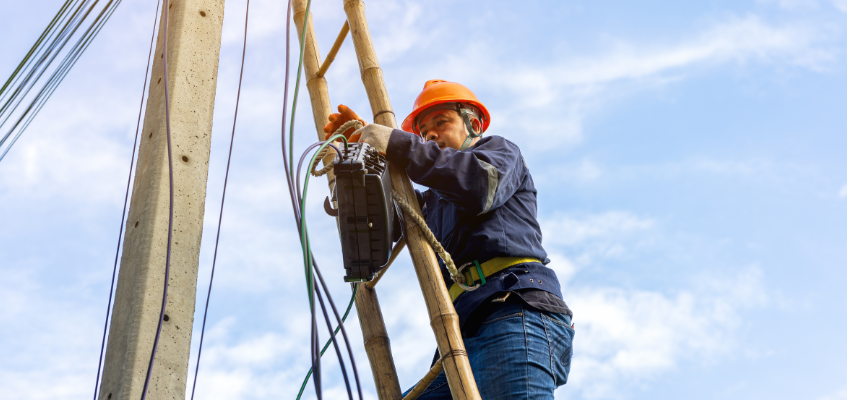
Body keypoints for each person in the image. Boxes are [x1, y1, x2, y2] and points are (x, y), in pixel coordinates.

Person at [324, 79, 574, 399]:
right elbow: (382, 227)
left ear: (474, 123)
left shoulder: (498, 153)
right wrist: (357, 162)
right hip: (464, 329)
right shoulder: (430, 203)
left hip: (513, 309)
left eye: (441, 122)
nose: (431, 136)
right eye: (424, 132)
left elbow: (476, 185)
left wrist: (396, 143)